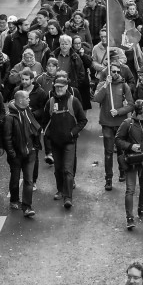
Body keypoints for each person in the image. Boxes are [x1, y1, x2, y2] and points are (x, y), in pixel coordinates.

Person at [42, 76, 88, 209]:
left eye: (61, 86)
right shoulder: (50, 102)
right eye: (57, 87)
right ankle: (60, 190)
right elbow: (45, 121)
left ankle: (68, 197)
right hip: (55, 142)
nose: (59, 89)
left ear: (67, 87)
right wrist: (49, 134)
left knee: (68, 170)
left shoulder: (74, 101)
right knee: (58, 169)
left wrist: (72, 133)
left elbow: (82, 120)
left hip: (69, 142)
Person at [116, 100, 143, 230]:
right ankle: (129, 218)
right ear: (140, 111)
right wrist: (130, 146)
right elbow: (118, 140)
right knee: (130, 189)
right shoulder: (127, 123)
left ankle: (141, 211)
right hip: (132, 161)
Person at [94, 63, 135, 191]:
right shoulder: (102, 84)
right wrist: (105, 85)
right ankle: (109, 179)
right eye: (113, 71)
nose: (116, 74)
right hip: (106, 123)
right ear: (108, 73)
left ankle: (122, 170)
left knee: (121, 150)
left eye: (118, 71)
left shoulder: (124, 85)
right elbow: (96, 99)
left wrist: (119, 112)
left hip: (121, 124)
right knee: (108, 152)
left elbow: (131, 105)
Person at [4, 89, 42, 218]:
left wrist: (35, 146)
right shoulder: (10, 118)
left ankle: (27, 207)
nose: (29, 100)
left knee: (29, 180)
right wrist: (12, 154)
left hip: (30, 152)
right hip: (17, 154)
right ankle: (14, 200)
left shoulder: (27, 111)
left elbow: (34, 128)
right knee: (15, 179)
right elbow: (7, 138)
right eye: (27, 98)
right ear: (20, 100)